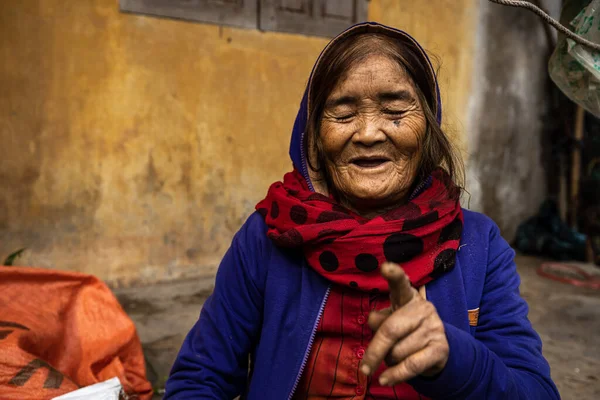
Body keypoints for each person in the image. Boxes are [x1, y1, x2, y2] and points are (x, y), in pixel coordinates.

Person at [164, 22, 560, 399]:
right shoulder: (269, 236)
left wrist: (453, 358)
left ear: (429, 127)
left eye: (394, 111)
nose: (369, 134)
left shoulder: (478, 243)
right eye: (344, 112)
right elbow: (199, 380)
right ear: (314, 133)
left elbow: (535, 392)